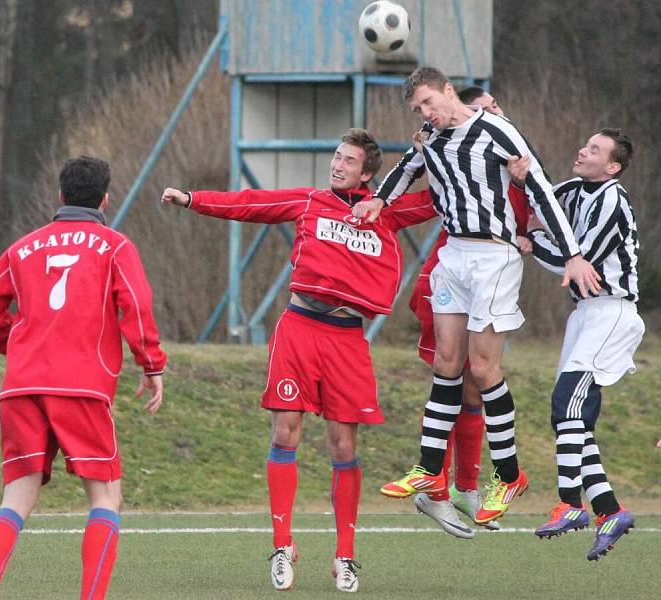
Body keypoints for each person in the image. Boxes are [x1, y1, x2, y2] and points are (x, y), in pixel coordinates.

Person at [161, 128, 437, 593]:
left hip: (347, 340)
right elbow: (248, 203)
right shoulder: (309, 201)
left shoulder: (384, 213)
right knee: (284, 430)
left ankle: (345, 556)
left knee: (342, 448)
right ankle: (282, 545)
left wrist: (457, 152)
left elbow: (439, 199)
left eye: (348, 160)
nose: (337, 164)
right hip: (299, 329)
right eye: (336, 155)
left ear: (368, 173)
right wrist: (192, 199)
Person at [352, 66, 601, 525]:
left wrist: (573, 255)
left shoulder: (496, 130)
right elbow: (407, 169)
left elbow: (542, 189)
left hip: (493, 257)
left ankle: (508, 474)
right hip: (454, 255)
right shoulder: (431, 136)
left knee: (483, 368)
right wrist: (378, 201)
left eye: (430, 102)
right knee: (447, 363)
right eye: (419, 108)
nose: (427, 113)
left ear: (448, 91)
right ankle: (429, 469)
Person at [0, 156, 166, 600]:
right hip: (80, 387)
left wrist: (18, 346)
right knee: (105, 498)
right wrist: (150, 364)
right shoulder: (115, 245)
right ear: (105, 199)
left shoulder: (22, 247)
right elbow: (136, 304)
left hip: (21, 387)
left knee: (16, 499)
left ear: (59, 197)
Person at [514, 129, 643, 560]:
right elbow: (541, 191)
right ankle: (609, 510)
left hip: (611, 310)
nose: (582, 151)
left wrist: (534, 245)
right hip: (585, 315)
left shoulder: (613, 198)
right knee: (569, 419)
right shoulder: (573, 188)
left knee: (567, 403)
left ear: (612, 167)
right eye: (585, 145)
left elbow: (578, 261)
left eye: (594, 150)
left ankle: (571, 505)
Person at [407, 86, 531, 537]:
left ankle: (463, 486)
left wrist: (531, 227)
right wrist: (376, 205)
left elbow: (535, 207)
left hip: (487, 273)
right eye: (487, 107)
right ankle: (436, 485)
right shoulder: (448, 150)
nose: (496, 112)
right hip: (447, 276)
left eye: (498, 106)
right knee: (455, 375)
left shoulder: (505, 156)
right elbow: (416, 199)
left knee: (475, 382)